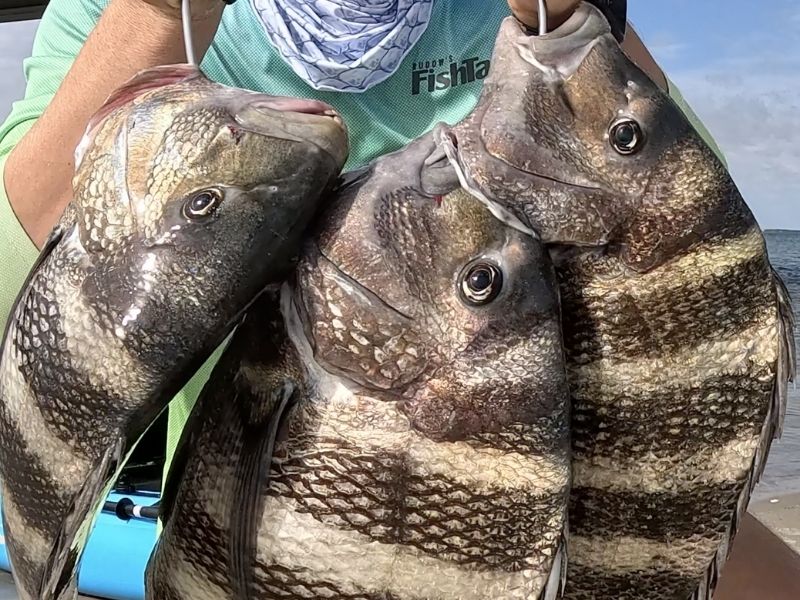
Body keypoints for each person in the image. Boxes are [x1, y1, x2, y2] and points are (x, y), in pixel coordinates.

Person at [0, 1, 796, 598]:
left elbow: (685, 233)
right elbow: (25, 242)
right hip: (261, 518)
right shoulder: (148, 16)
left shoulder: (514, 16)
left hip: (538, 511)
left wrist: (579, 19)